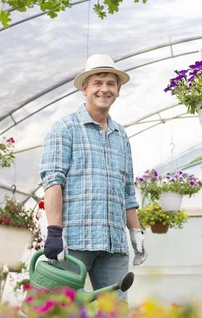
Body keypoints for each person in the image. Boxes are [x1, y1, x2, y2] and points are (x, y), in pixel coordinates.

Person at [39, 54, 147, 300]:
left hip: (114, 246)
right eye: (98, 83)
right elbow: (53, 181)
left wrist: (135, 232)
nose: (104, 89)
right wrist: (55, 232)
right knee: (59, 313)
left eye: (110, 83)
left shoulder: (121, 135)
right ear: (85, 88)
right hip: (74, 242)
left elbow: (128, 193)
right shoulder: (65, 128)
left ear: (118, 90)